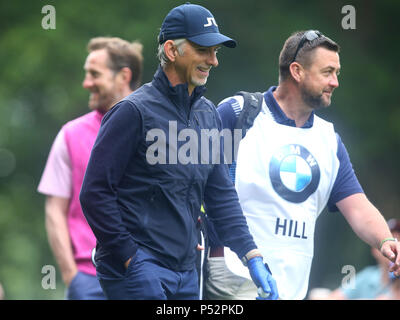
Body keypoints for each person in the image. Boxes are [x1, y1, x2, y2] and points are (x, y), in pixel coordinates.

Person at [79, 3, 278, 300]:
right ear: (172, 51)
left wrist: (252, 256)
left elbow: (220, 195)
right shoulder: (132, 112)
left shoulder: (208, 115)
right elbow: (94, 193)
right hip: (137, 269)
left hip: (186, 271)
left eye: (216, 52)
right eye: (203, 50)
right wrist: (130, 257)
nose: (213, 61)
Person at [205, 30, 400, 300]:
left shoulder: (328, 140)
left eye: (337, 73)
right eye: (327, 72)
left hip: (291, 288)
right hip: (232, 279)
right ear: (297, 71)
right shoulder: (238, 112)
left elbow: (356, 205)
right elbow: (191, 180)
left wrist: (386, 240)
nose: (335, 82)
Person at [37, 37, 143, 299]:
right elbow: (54, 211)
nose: (86, 83)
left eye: (94, 74)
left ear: (124, 76)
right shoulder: (70, 135)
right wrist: (71, 277)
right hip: (89, 279)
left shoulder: (156, 131)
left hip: (146, 275)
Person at [309, 218, 400, 300]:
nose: (395, 249)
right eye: (391, 242)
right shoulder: (368, 276)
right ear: (375, 250)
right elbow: (336, 297)